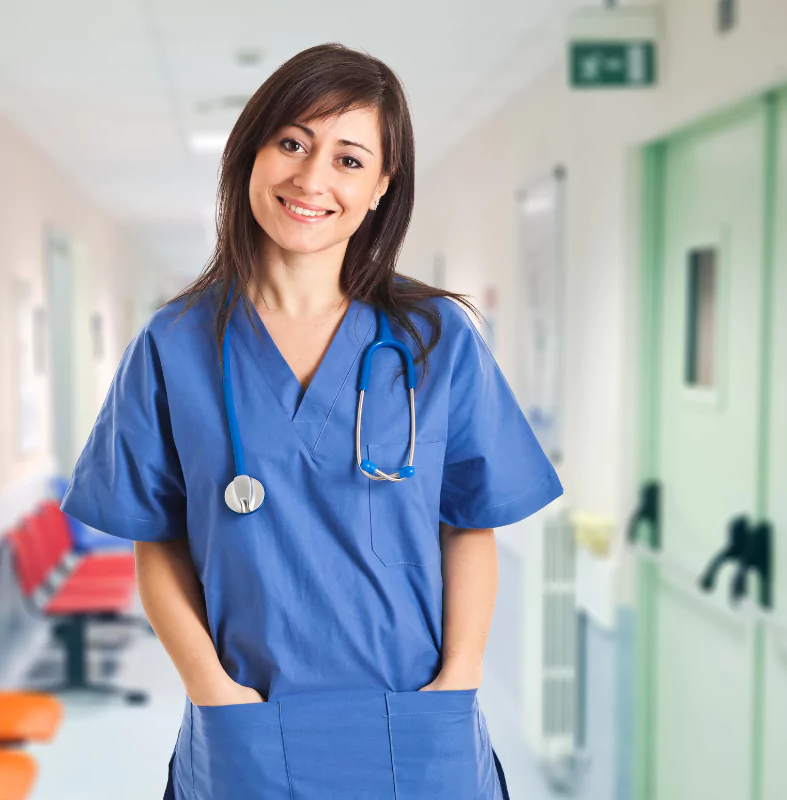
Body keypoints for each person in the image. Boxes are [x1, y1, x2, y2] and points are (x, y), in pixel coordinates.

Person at [61, 42, 563, 800]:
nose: (312, 177)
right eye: (293, 142)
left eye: (349, 159)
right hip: (248, 734)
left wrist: (457, 683)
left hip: (417, 729)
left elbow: (470, 524)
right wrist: (211, 690)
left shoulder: (435, 339)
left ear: (382, 188)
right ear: (251, 153)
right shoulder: (172, 345)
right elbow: (157, 543)